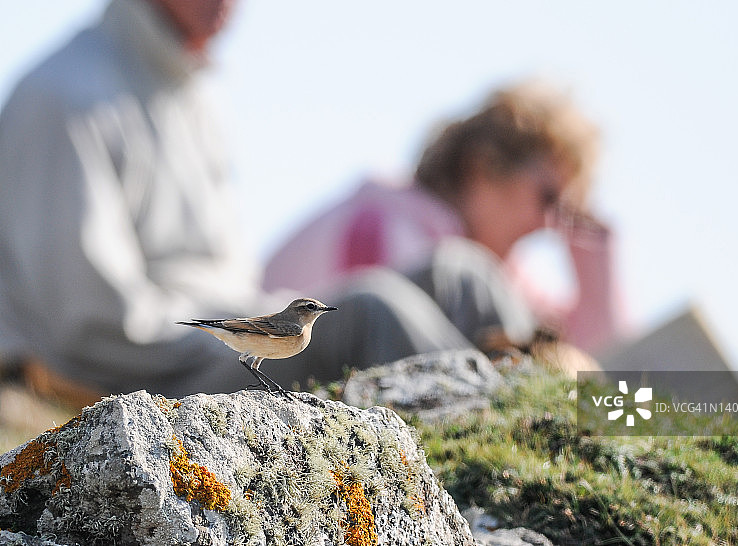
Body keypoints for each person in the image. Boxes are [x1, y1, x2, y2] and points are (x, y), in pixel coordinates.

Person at [0, 0, 476, 399]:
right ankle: (494, 441)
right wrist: (227, 330)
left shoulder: (195, 88)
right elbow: (93, 322)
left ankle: (524, 406)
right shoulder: (63, 95)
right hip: (152, 374)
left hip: (215, 335)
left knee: (455, 275)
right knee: (370, 310)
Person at [262, 81, 626, 356]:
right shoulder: (385, 227)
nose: (550, 224)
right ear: (482, 170)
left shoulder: (502, 274)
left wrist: (594, 248)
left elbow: (597, 357)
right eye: (548, 198)